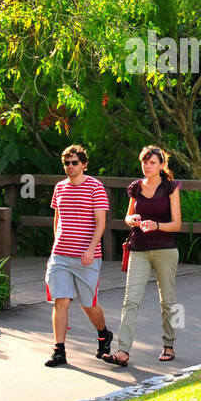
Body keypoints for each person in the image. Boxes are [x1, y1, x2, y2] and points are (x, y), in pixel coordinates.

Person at [101, 145, 181, 367]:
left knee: (168, 301)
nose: (147, 166)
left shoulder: (171, 187)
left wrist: (156, 225)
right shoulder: (136, 187)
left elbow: (177, 224)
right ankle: (123, 351)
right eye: (144, 162)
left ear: (162, 165)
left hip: (165, 249)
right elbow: (127, 216)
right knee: (131, 300)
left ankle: (169, 344)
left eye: (152, 162)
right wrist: (132, 220)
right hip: (139, 248)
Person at [44, 144, 114, 367]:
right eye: (67, 163)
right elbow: (57, 218)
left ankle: (104, 334)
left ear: (84, 164)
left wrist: (91, 248)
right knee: (61, 300)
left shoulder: (95, 187)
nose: (71, 167)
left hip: (87, 256)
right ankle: (59, 350)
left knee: (88, 304)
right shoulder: (60, 187)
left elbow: (101, 222)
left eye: (75, 162)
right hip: (61, 255)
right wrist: (56, 243)